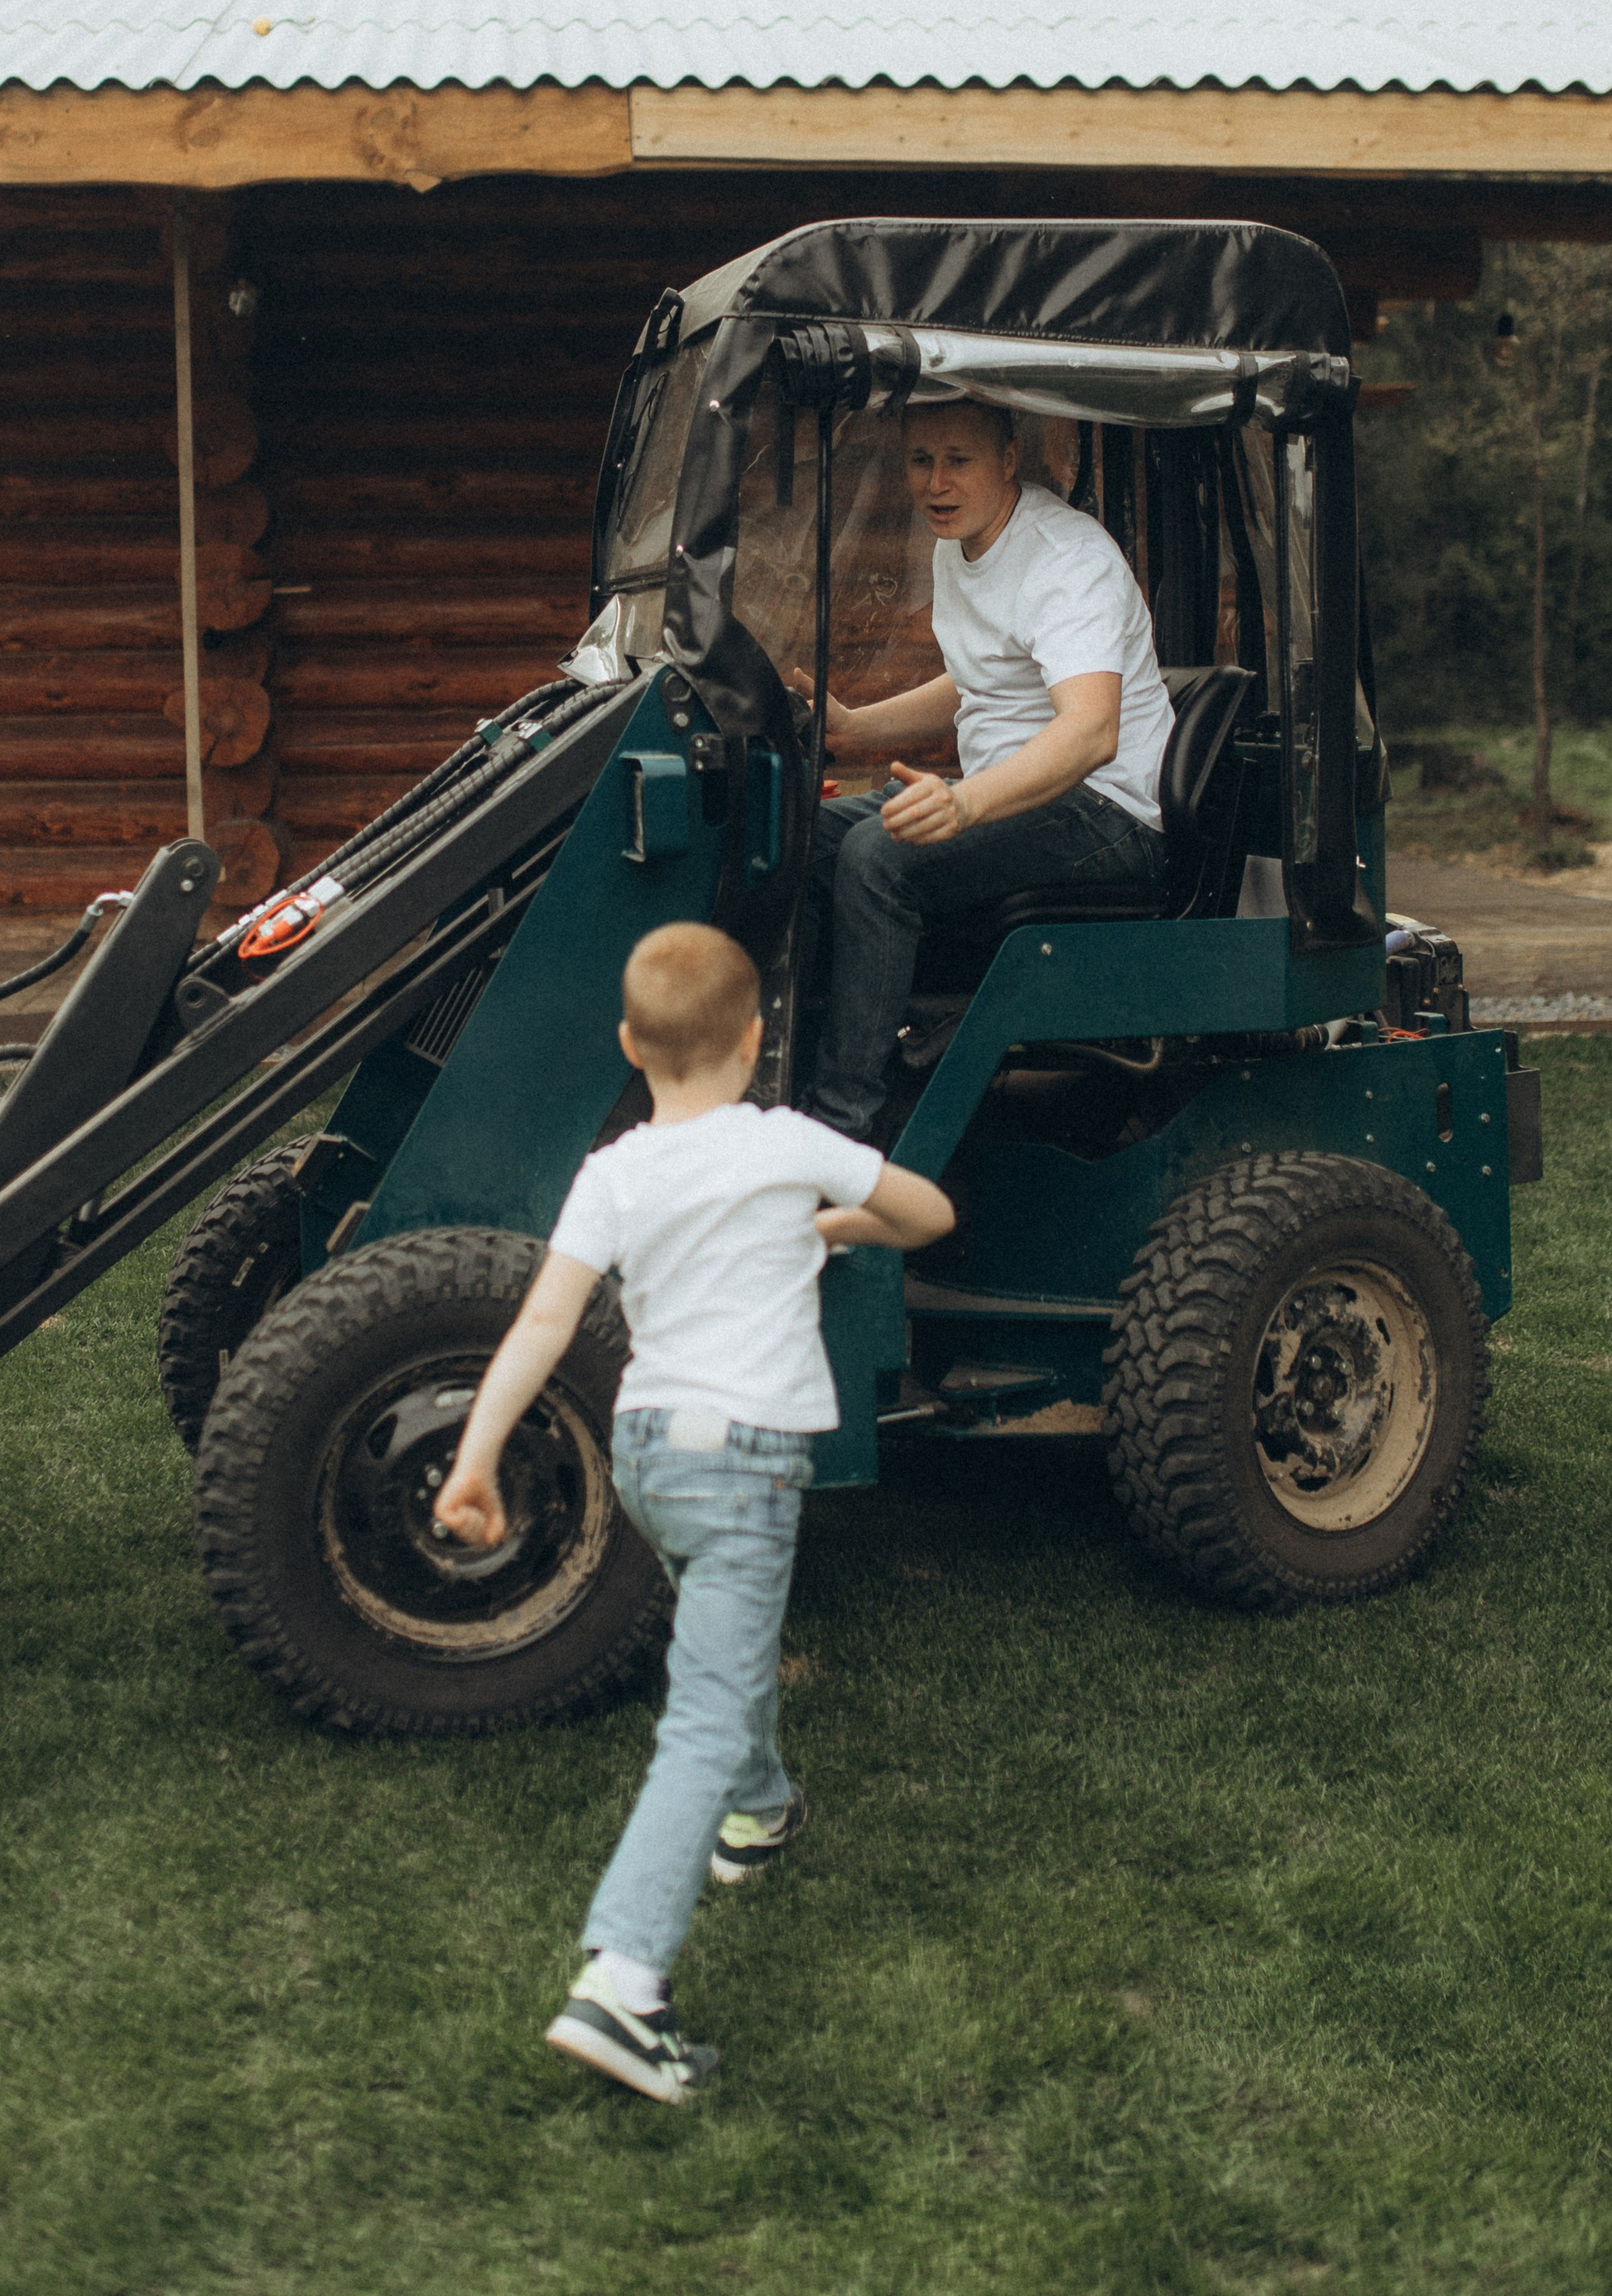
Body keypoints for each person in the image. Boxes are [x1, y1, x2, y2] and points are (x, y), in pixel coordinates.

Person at [434, 918, 955, 2106]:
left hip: (648, 1458)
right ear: (759, 1037)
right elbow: (929, 1216)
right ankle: (621, 1983)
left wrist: (475, 1458)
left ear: (629, 1043)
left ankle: (760, 1814)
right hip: (749, 1462)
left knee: (726, 1645)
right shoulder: (788, 1143)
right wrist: (840, 1219)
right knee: (706, 1714)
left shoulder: (613, 1171)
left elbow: (545, 1326)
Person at [796, 396, 1173, 1141]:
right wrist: (854, 728)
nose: (936, 483)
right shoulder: (958, 544)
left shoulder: (1066, 560)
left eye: (958, 461)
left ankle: (846, 1123)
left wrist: (964, 807)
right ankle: (793, 1076)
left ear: (1007, 459)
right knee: (801, 838)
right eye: (920, 460)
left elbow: (1092, 732)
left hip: (1107, 811)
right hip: (1022, 795)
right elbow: (982, 678)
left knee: (879, 856)